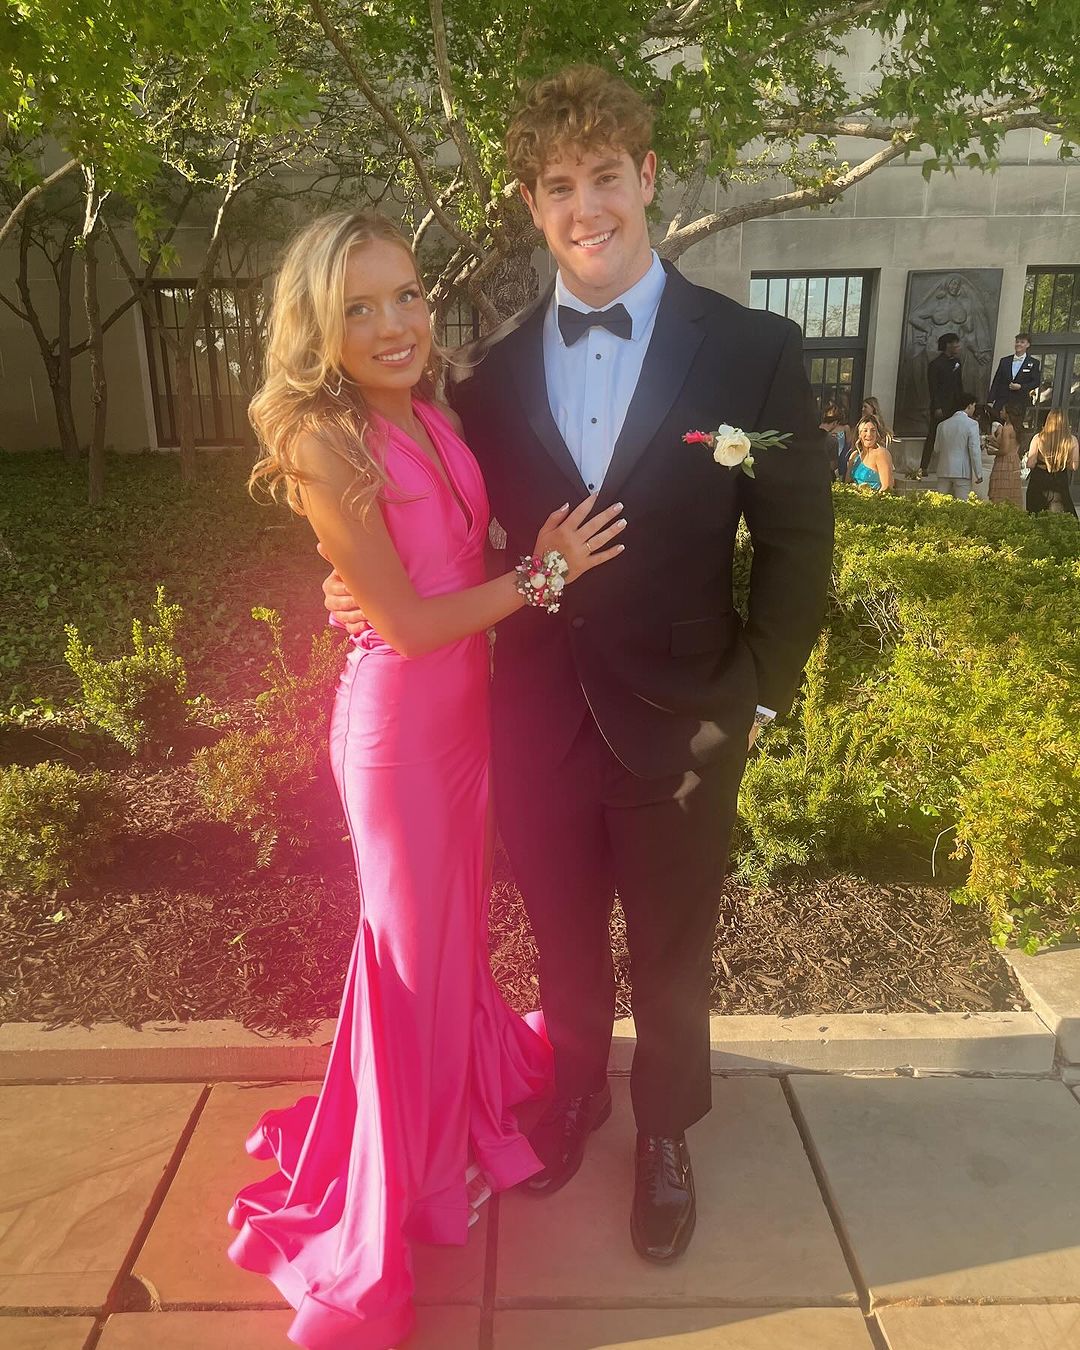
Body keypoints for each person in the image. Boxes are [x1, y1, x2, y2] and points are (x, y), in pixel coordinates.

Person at [323, 65, 834, 1266]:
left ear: (647, 178)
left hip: (689, 709)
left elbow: (799, 533)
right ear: (532, 204)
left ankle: (665, 1133)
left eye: (606, 176)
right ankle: (572, 1097)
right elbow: (438, 518)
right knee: (560, 935)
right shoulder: (485, 376)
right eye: (560, 185)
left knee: (671, 948)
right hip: (536, 709)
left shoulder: (752, 350)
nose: (586, 206)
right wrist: (349, 584)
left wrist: (759, 694)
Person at [225, 210, 626, 1350]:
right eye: (358, 308)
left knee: (451, 934)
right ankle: (393, 1187)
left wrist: (493, 572)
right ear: (318, 325)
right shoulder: (324, 439)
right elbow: (403, 624)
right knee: (405, 954)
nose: (394, 323)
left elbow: (441, 565)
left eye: (405, 295)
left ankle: (444, 1123)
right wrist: (543, 577)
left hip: (463, 720)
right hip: (398, 735)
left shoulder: (431, 411)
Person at [920, 333, 964, 477]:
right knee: (933, 434)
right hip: (940, 406)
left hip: (954, 406)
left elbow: (959, 385)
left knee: (954, 437)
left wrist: (962, 404)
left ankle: (951, 467)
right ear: (948, 345)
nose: (958, 347)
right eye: (955, 344)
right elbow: (933, 388)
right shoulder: (936, 364)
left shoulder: (957, 362)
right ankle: (923, 466)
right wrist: (937, 406)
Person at [1026, 408, 1079, 517]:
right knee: (1060, 514)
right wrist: (1062, 460)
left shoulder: (1038, 438)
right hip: (1059, 478)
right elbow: (1074, 466)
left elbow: (1030, 464)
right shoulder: (1071, 440)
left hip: (1039, 477)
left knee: (1035, 512)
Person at [931, 392, 984, 499]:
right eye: (974, 406)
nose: (974, 409)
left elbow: (936, 448)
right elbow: (974, 451)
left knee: (940, 502)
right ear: (969, 405)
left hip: (943, 469)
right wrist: (978, 473)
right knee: (962, 503)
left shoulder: (942, 425)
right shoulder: (972, 424)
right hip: (962, 471)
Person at [988, 333, 1041, 413]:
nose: (1018, 344)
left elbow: (1036, 382)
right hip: (1002, 401)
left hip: (1020, 402)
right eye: (1017, 342)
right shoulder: (1004, 361)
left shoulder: (1034, 362)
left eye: (1022, 342)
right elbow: (996, 381)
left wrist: (1020, 387)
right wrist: (990, 400)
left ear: (1028, 345)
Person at [986, 404, 1024, 508]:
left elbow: (1004, 450)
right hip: (1014, 460)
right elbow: (1007, 446)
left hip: (1004, 462)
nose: (1000, 412)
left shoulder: (1007, 428)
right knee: (1011, 491)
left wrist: (992, 452)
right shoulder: (1016, 428)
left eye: (1003, 410)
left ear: (1008, 414)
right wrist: (993, 441)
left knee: (1000, 492)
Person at [847, 417, 895, 492]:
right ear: (859, 434)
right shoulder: (855, 455)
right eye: (865, 430)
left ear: (877, 434)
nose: (869, 434)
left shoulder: (881, 453)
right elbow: (847, 483)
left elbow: (887, 487)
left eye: (873, 430)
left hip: (875, 498)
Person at [821, 401, 852, 479]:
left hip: (841, 456)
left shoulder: (845, 427)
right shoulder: (825, 428)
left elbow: (848, 444)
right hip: (830, 455)